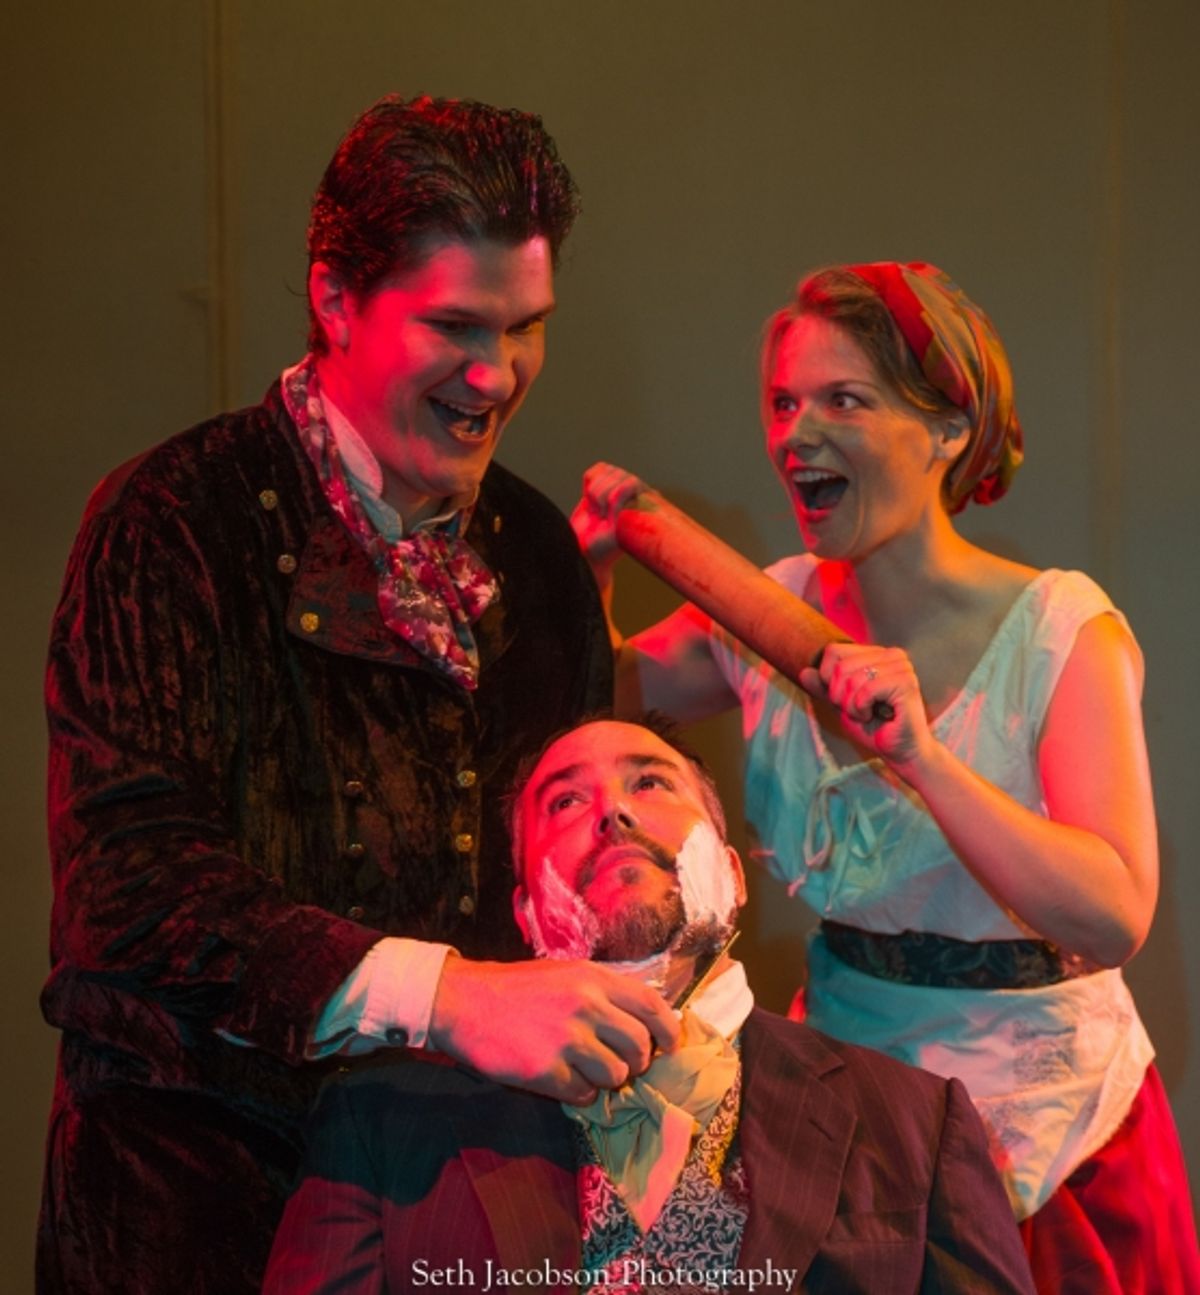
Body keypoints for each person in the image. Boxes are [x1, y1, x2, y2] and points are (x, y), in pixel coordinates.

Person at [38, 96, 678, 1295]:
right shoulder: (173, 522)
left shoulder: (536, 550)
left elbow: (567, 873)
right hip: (199, 1222)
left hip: (461, 1220)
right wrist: (446, 995)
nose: (497, 373)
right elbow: (127, 888)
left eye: (528, 327)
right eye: (454, 325)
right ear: (334, 298)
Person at [573, 262, 1200, 1292]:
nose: (795, 432)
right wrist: (590, 569)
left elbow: (1117, 908)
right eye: (783, 402)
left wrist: (923, 756)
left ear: (947, 428)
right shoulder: (765, 609)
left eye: (844, 400)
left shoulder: (1060, 631)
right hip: (849, 1095)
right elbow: (601, 700)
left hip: (1050, 1118)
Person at [264, 716, 1036, 1294]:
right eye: (565, 802)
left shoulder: (916, 1124)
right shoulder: (380, 1121)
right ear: (528, 914)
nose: (614, 813)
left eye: (650, 783)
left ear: (734, 875)